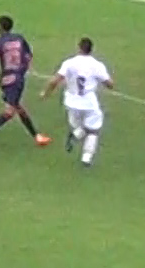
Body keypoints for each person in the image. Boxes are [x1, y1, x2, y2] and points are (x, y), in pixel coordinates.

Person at [0, 15, 50, 149]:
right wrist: (24, 68)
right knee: (10, 111)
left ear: (0, 27)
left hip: (5, 79)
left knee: (18, 107)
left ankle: (37, 137)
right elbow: (28, 56)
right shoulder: (19, 38)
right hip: (16, 80)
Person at [42, 37, 114, 169]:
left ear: (79, 48)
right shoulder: (97, 65)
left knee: (80, 126)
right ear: (91, 50)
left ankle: (76, 133)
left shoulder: (69, 63)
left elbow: (54, 81)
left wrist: (45, 94)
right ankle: (86, 157)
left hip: (71, 102)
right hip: (88, 103)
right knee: (93, 130)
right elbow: (110, 84)